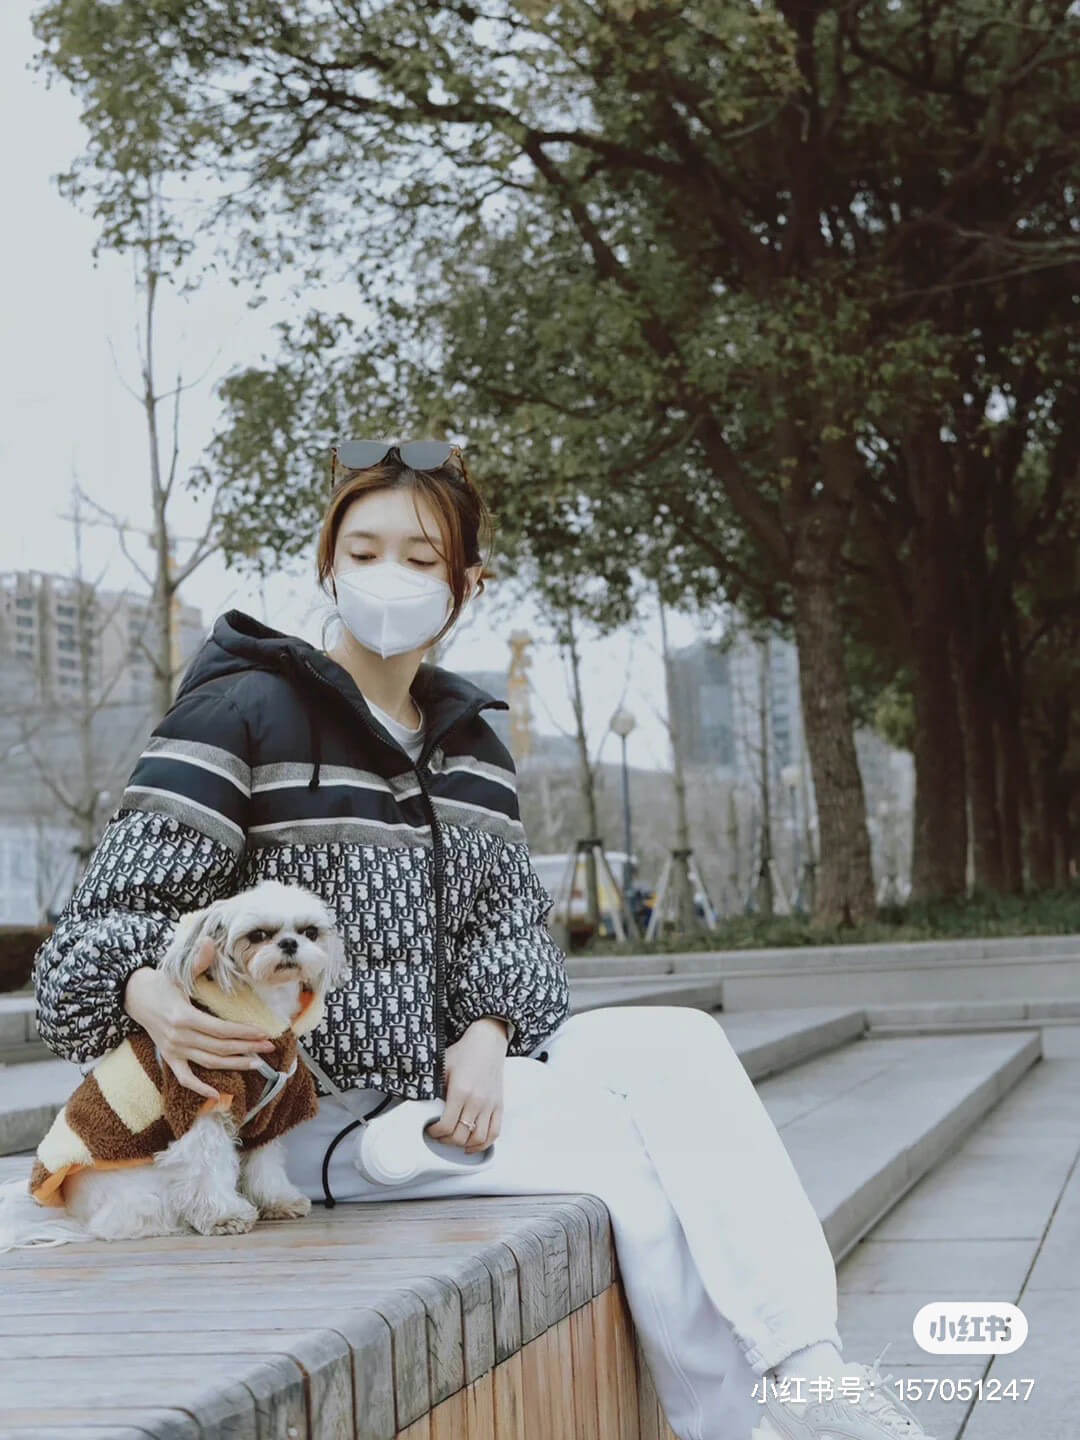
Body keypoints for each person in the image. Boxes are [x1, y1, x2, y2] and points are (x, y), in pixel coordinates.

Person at [33, 440, 933, 1440]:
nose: (387, 576)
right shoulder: (238, 713)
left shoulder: (471, 743)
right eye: (363, 551)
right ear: (328, 564)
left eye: (420, 558)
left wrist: (489, 1030)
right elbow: (93, 931)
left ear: (466, 585)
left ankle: (810, 1383)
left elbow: (511, 926)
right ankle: (759, 1422)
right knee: (628, 1152)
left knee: (680, 1041)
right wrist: (150, 995)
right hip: (302, 1122)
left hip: (443, 1088)